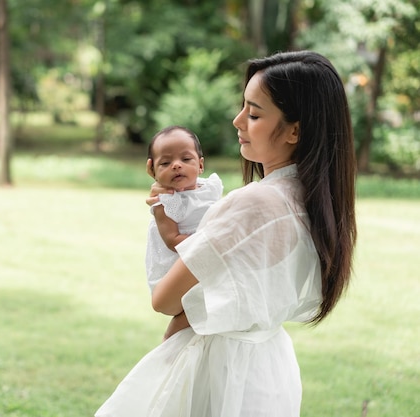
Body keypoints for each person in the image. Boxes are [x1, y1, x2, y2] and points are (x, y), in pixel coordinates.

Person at [95, 50, 357, 417]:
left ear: (294, 130)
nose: (237, 121)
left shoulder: (253, 204)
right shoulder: (316, 202)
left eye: (253, 113)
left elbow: (166, 301)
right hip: (270, 367)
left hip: (221, 368)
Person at [145, 126, 224, 340]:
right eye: (165, 163)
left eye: (186, 159)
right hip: (176, 263)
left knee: (208, 304)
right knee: (192, 306)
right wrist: (210, 243)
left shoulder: (210, 188)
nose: (176, 165)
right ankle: (168, 342)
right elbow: (172, 240)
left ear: (200, 165)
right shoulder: (164, 202)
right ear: (152, 170)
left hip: (203, 258)